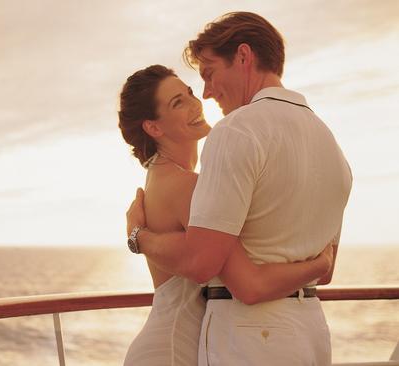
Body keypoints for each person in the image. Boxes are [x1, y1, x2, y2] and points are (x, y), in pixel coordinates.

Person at [125, 12, 352, 366]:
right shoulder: (330, 144)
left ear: (244, 57)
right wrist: (318, 263)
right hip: (311, 331)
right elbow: (326, 270)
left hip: (253, 337)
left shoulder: (236, 131)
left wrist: (138, 237)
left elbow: (208, 265)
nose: (206, 92)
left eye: (210, 73)